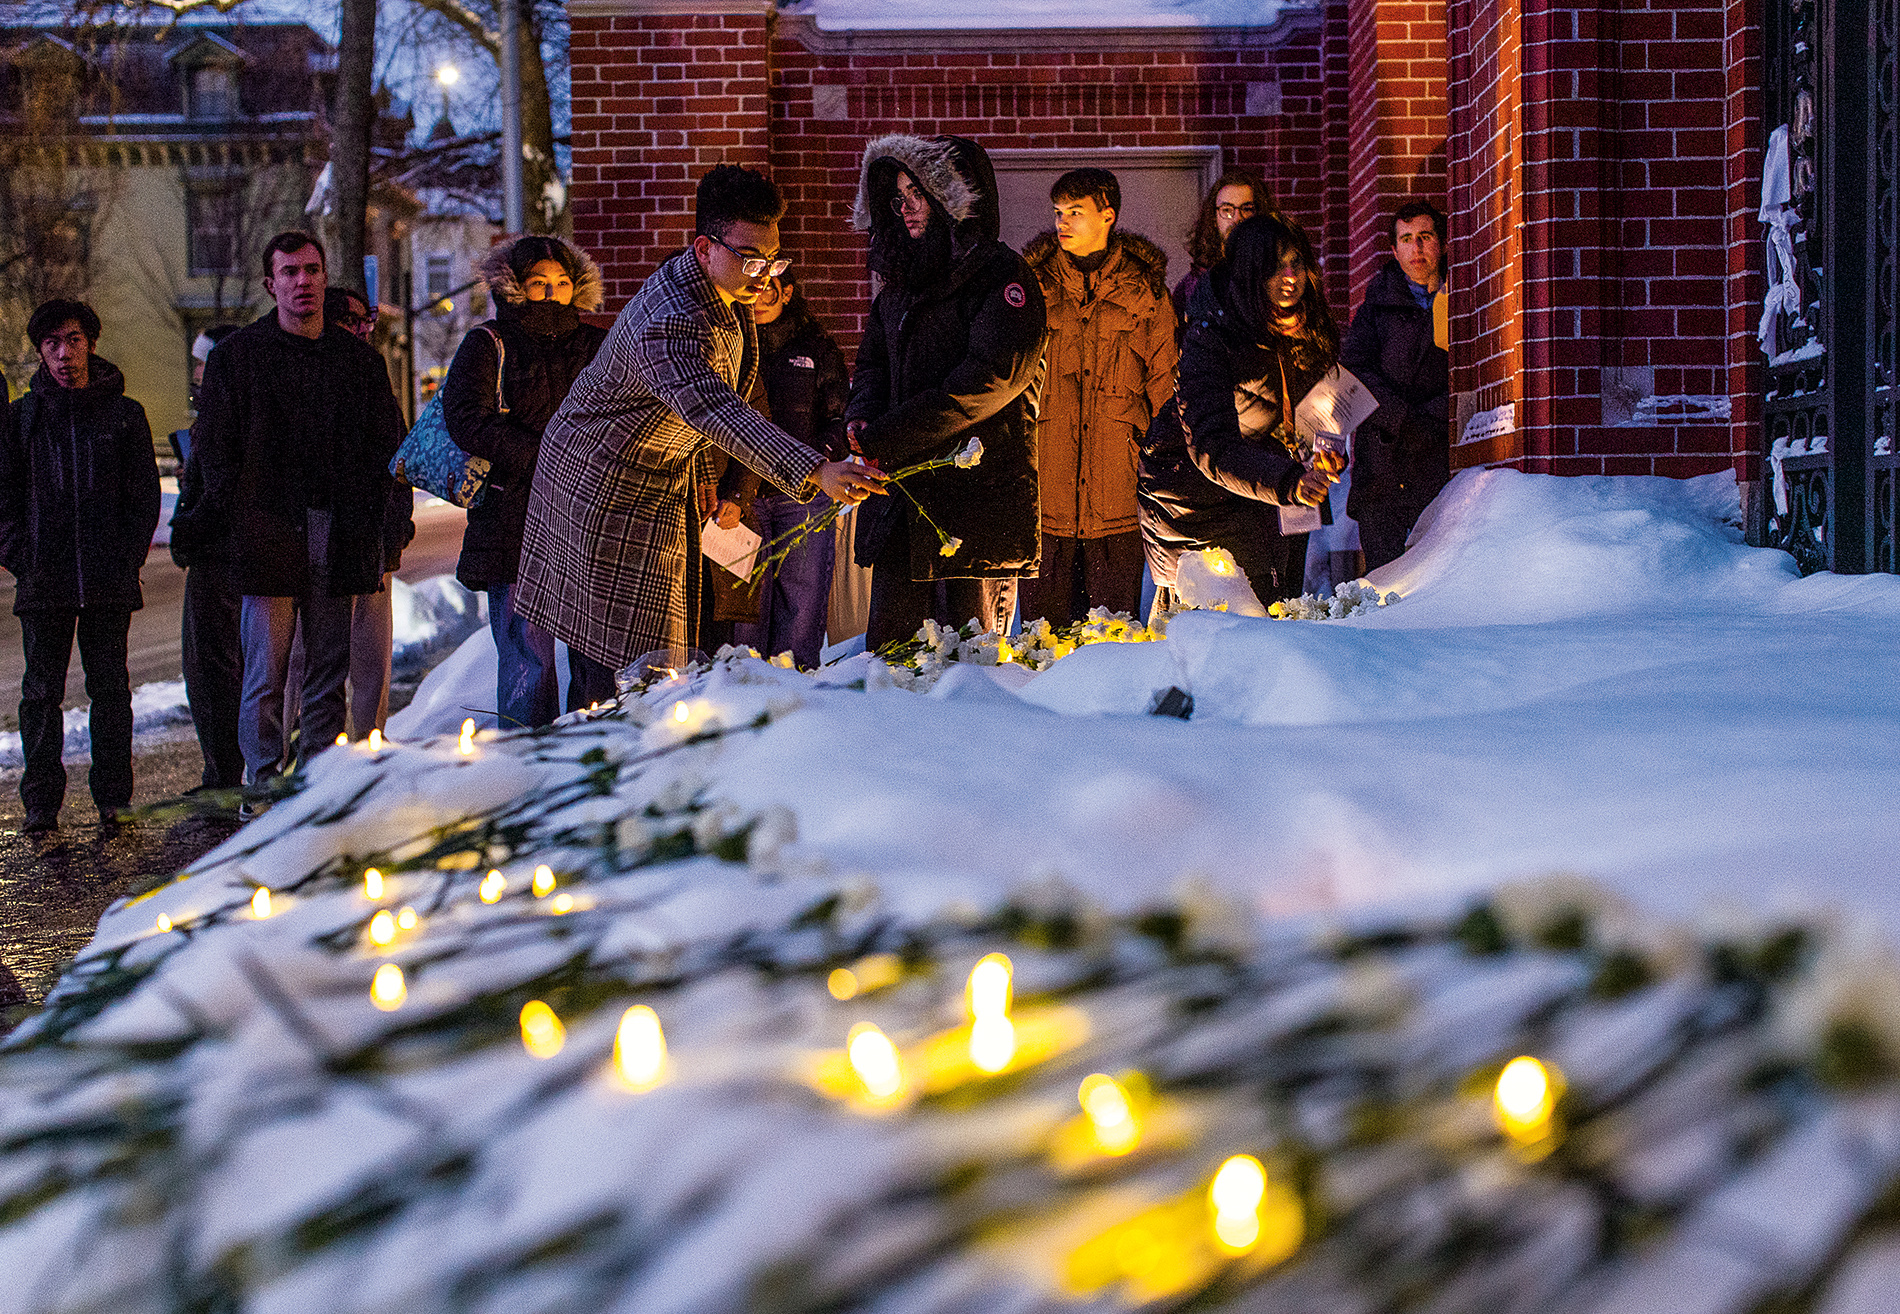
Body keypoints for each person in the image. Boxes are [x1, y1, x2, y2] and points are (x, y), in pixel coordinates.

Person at [513, 165, 882, 699]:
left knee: (662, 653)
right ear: (705, 248)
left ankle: (644, 740)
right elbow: (716, 409)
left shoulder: (722, 294)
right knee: (625, 660)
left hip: (657, 478)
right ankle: (611, 760)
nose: (764, 275)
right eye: (751, 259)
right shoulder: (674, 319)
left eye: (773, 259)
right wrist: (815, 470)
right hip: (601, 489)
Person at [173, 231, 405, 789]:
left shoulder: (358, 362)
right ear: (269, 284)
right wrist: (224, 521)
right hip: (267, 531)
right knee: (266, 673)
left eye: (311, 270)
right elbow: (216, 453)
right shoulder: (239, 360)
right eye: (290, 273)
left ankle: (317, 788)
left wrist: (386, 525)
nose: (303, 282)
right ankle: (261, 784)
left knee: (328, 672)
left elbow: (386, 450)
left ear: (325, 277)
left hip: (341, 529)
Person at [845, 134, 1046, 649]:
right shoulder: (902, 284)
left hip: (973, 505)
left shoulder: (1002, 277)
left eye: (919, 194)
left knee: (967, 666)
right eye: (900, 196)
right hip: (903, 501)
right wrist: (861, 419)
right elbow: (872, 362)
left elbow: (991, 379)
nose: (907, 208)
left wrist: (888, 436)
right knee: (896, 659)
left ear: (953, 197)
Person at [0, 300, 160, 833]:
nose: (63, 354)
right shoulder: (23, 419)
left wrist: (124, 558)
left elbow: (143, 500)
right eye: (51, 344)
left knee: (110, 690)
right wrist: (25, 559)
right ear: (40, 353)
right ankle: (41, 806)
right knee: (41, 693)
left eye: (71, 340)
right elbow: (4, 500)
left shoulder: (124, 415)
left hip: (108, 581)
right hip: (45, 582)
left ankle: (114, 798)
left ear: (89, 342)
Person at [1137, 212, 1344, 608]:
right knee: (1227, 626)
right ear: (1249, 272)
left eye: (1296, 262)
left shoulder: (1306, 331)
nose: (1289, 276)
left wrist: (1326, 454)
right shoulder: (1211, 337)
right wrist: (1289, 482)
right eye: (1274, 265)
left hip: (1274, 493)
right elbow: (1212, 446)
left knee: (1280, 607)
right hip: (1194, 496)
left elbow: (1318, 415)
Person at [442, 234, 607, 727]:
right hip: (514, 513)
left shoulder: (597, 343)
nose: (553, 292)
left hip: (586, 515)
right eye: (539, 283)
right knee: (526, 658)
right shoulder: (488, 343)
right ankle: (528, 765)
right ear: (515, 288)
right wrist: (540, 456)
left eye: (562, 282)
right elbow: (466, 416)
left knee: (595, 655)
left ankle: (594, 758)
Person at [1021, 167, 1177, 624]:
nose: (1061, 223)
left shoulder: (1146, 293)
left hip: (1120, 500)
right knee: (1039, 644)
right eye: (1057, 213)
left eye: (1075, 212)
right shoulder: (1031, 289)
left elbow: (1166, 390)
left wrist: (1163, 474)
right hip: (1046, 498)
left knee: (1115, 637)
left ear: (1107, 216)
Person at [731, 273, 851, 668]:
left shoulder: (814, 347)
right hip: (741, 494)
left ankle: (796, 695)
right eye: (754, 285)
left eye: (770, 287)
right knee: (743, 610)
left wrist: (815, 459)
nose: (760, 296)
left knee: (801, 604)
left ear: (786, 292)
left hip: (802, 492)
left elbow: (840, 417)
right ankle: (742, 695)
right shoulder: (730, 343)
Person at [1341, 199, 1452, 570]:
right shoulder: (1378, 301)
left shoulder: (1459, 296)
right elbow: (1355, 368)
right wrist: (1399, 416)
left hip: (1438, 455)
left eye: (1425, 236)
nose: (1416, 248)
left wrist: (1435, 416)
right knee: (1384, 578)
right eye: (1406, 239)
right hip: (1384, 466)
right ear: (1394, 249)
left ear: (1442, 242)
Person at [324, 287, 414, 737]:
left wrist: (395, 531)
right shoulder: (314, 378)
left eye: (367, 320)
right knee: (313, 666)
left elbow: (397, 460)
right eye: (353, 320)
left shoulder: (373, 376)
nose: (363, 329)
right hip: (323, 544)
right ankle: (304, 766)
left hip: (372, 542)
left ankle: (368, 752)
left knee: (370, 664)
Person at [170, 321, 244, 791]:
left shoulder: (223, 418)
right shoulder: (216, 416)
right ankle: (225, 768)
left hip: (219, 556)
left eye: (201, 361)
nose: (195, 372)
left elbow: (219, 489)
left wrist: (189, 528)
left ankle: (225, 773)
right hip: (220, 553)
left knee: (215, 669)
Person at [1173, 169, 1271, 330]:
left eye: (1247, 209)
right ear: (1214, 217)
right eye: (1227, 210)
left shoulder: (1274, 277)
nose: (1237, 218)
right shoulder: (1192, 284)